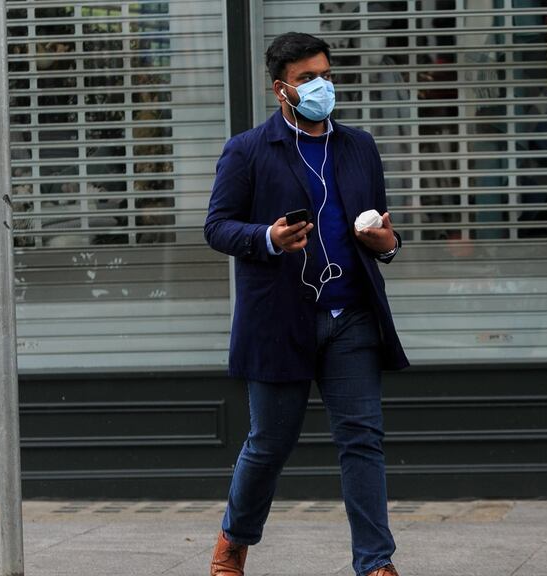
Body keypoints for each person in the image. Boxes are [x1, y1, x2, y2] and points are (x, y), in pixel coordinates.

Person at [204, 32, 410, 576]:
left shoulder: (358, 146)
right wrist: (267, 238)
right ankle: (233, 541)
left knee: (362, 440)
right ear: (281, 89)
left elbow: (379, 225)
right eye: (306, 78)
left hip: (351, 319)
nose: (321, 85)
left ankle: (375, 563)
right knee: (268, 444)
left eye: (325, 73)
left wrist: (388, 245)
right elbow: (217, 227)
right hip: (280, 321)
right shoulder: (248, 150)